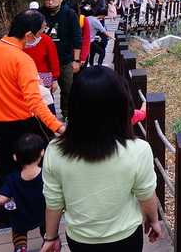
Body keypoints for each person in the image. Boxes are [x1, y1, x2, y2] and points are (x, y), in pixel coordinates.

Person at [39, 66, 161, 251]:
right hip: (126, 237)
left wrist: (51, 237)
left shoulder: (55, 150)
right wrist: (153, 220)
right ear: (121, 105)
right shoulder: (138, 150)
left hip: (80, 240)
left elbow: (54, 200)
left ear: (74, 105)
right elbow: (145, 195)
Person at [0, 10, 64, 229]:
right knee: (39, 163)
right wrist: (57, 126)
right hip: (22, 122)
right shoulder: (22, 60)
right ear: (28, 35)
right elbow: (35, 101)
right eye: (40, 33)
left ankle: (5, 217)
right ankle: (40, 210)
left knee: (6, 165)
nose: (40, 37)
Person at [0, 133, 47, 252]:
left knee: (19, 231)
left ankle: (21, 248)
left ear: (15, 157)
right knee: (47, 228)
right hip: (43, 213)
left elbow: (0, 200)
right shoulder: (46, 175)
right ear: (42, 153)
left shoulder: (12, 179)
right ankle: (48, 244)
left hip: (21, 216)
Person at [38, 0, 82, 120]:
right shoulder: (39, 14)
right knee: (45, 90)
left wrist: (76, 60)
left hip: (64, 58)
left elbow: (76, 37)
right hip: (43, 61)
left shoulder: (69, 14)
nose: (50, 3)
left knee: (68, 88)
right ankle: (47, 116)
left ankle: (67, 114)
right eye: (47, 0)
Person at [23, 22, 60, 116]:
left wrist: (55, 78)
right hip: (24, 79)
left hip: (43, 77)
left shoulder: (46, 39)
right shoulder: (19, 42)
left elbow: (53, 59)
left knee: (47, 108)